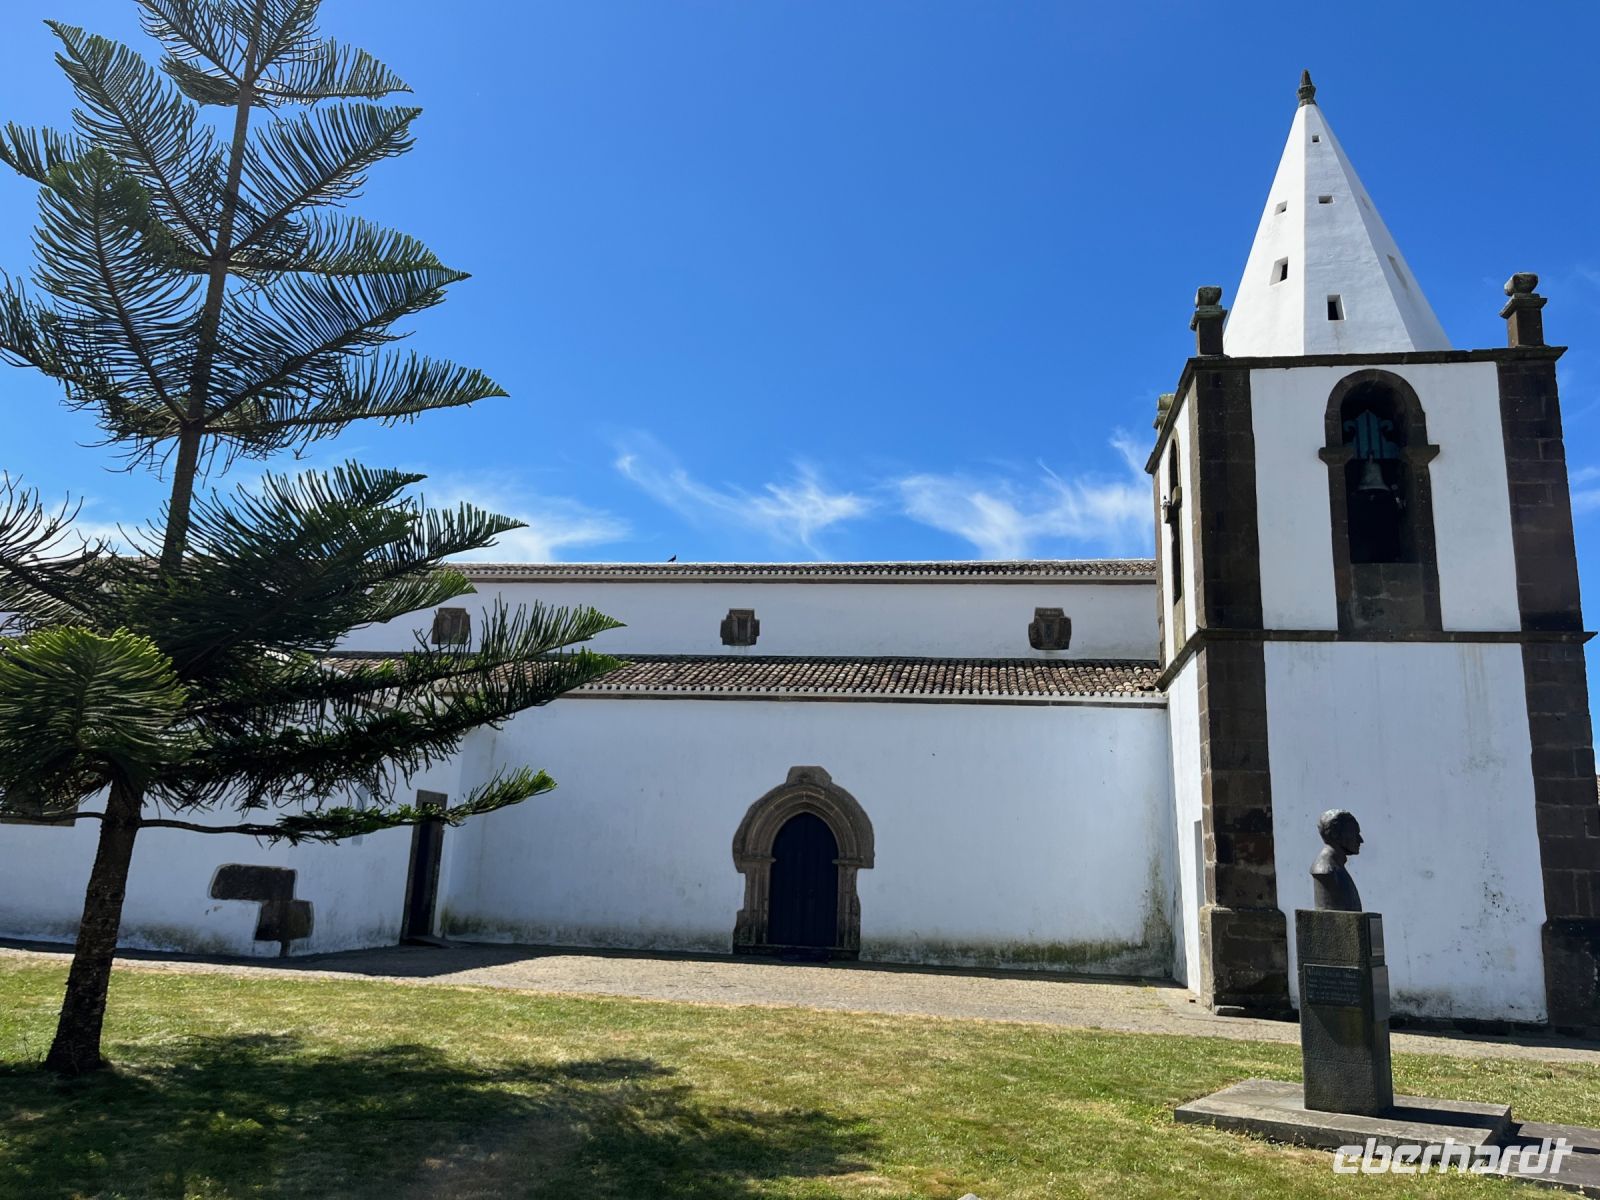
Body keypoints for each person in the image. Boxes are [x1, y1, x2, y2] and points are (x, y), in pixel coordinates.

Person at [1311, 809, 1364, 911]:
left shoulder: (1337, 867)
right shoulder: (1326, 870)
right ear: (1335, 833)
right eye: (1354, 833)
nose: (1360, 840)